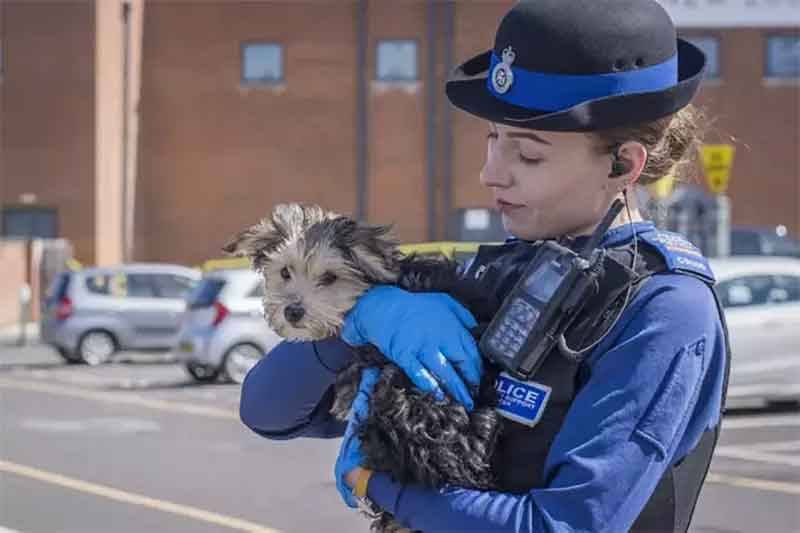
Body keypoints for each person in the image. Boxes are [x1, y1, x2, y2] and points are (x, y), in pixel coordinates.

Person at [239, 1, 730, 531]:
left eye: (529, 154)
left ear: (622, 163)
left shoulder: (663, 308)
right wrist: (356, 323)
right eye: (493, 139)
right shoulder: (488, 272)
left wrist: (375, 484)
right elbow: (268, 412)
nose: (490, 174)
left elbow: (565, 524)